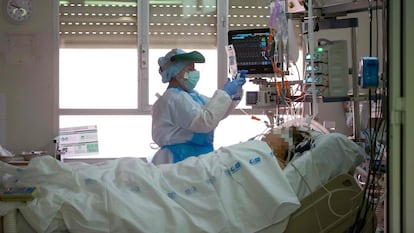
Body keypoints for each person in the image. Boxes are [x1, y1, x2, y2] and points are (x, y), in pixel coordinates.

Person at [151, 48, 248, 165]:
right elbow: (205, 122)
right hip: (179, 159)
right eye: (190, 69)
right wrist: (225, 93)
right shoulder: (173, 98)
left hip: (193, 158)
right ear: (176, 72)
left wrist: (235, 93)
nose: (194, 72)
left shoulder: (191, 96)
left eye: (194, 68)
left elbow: (216, 113)